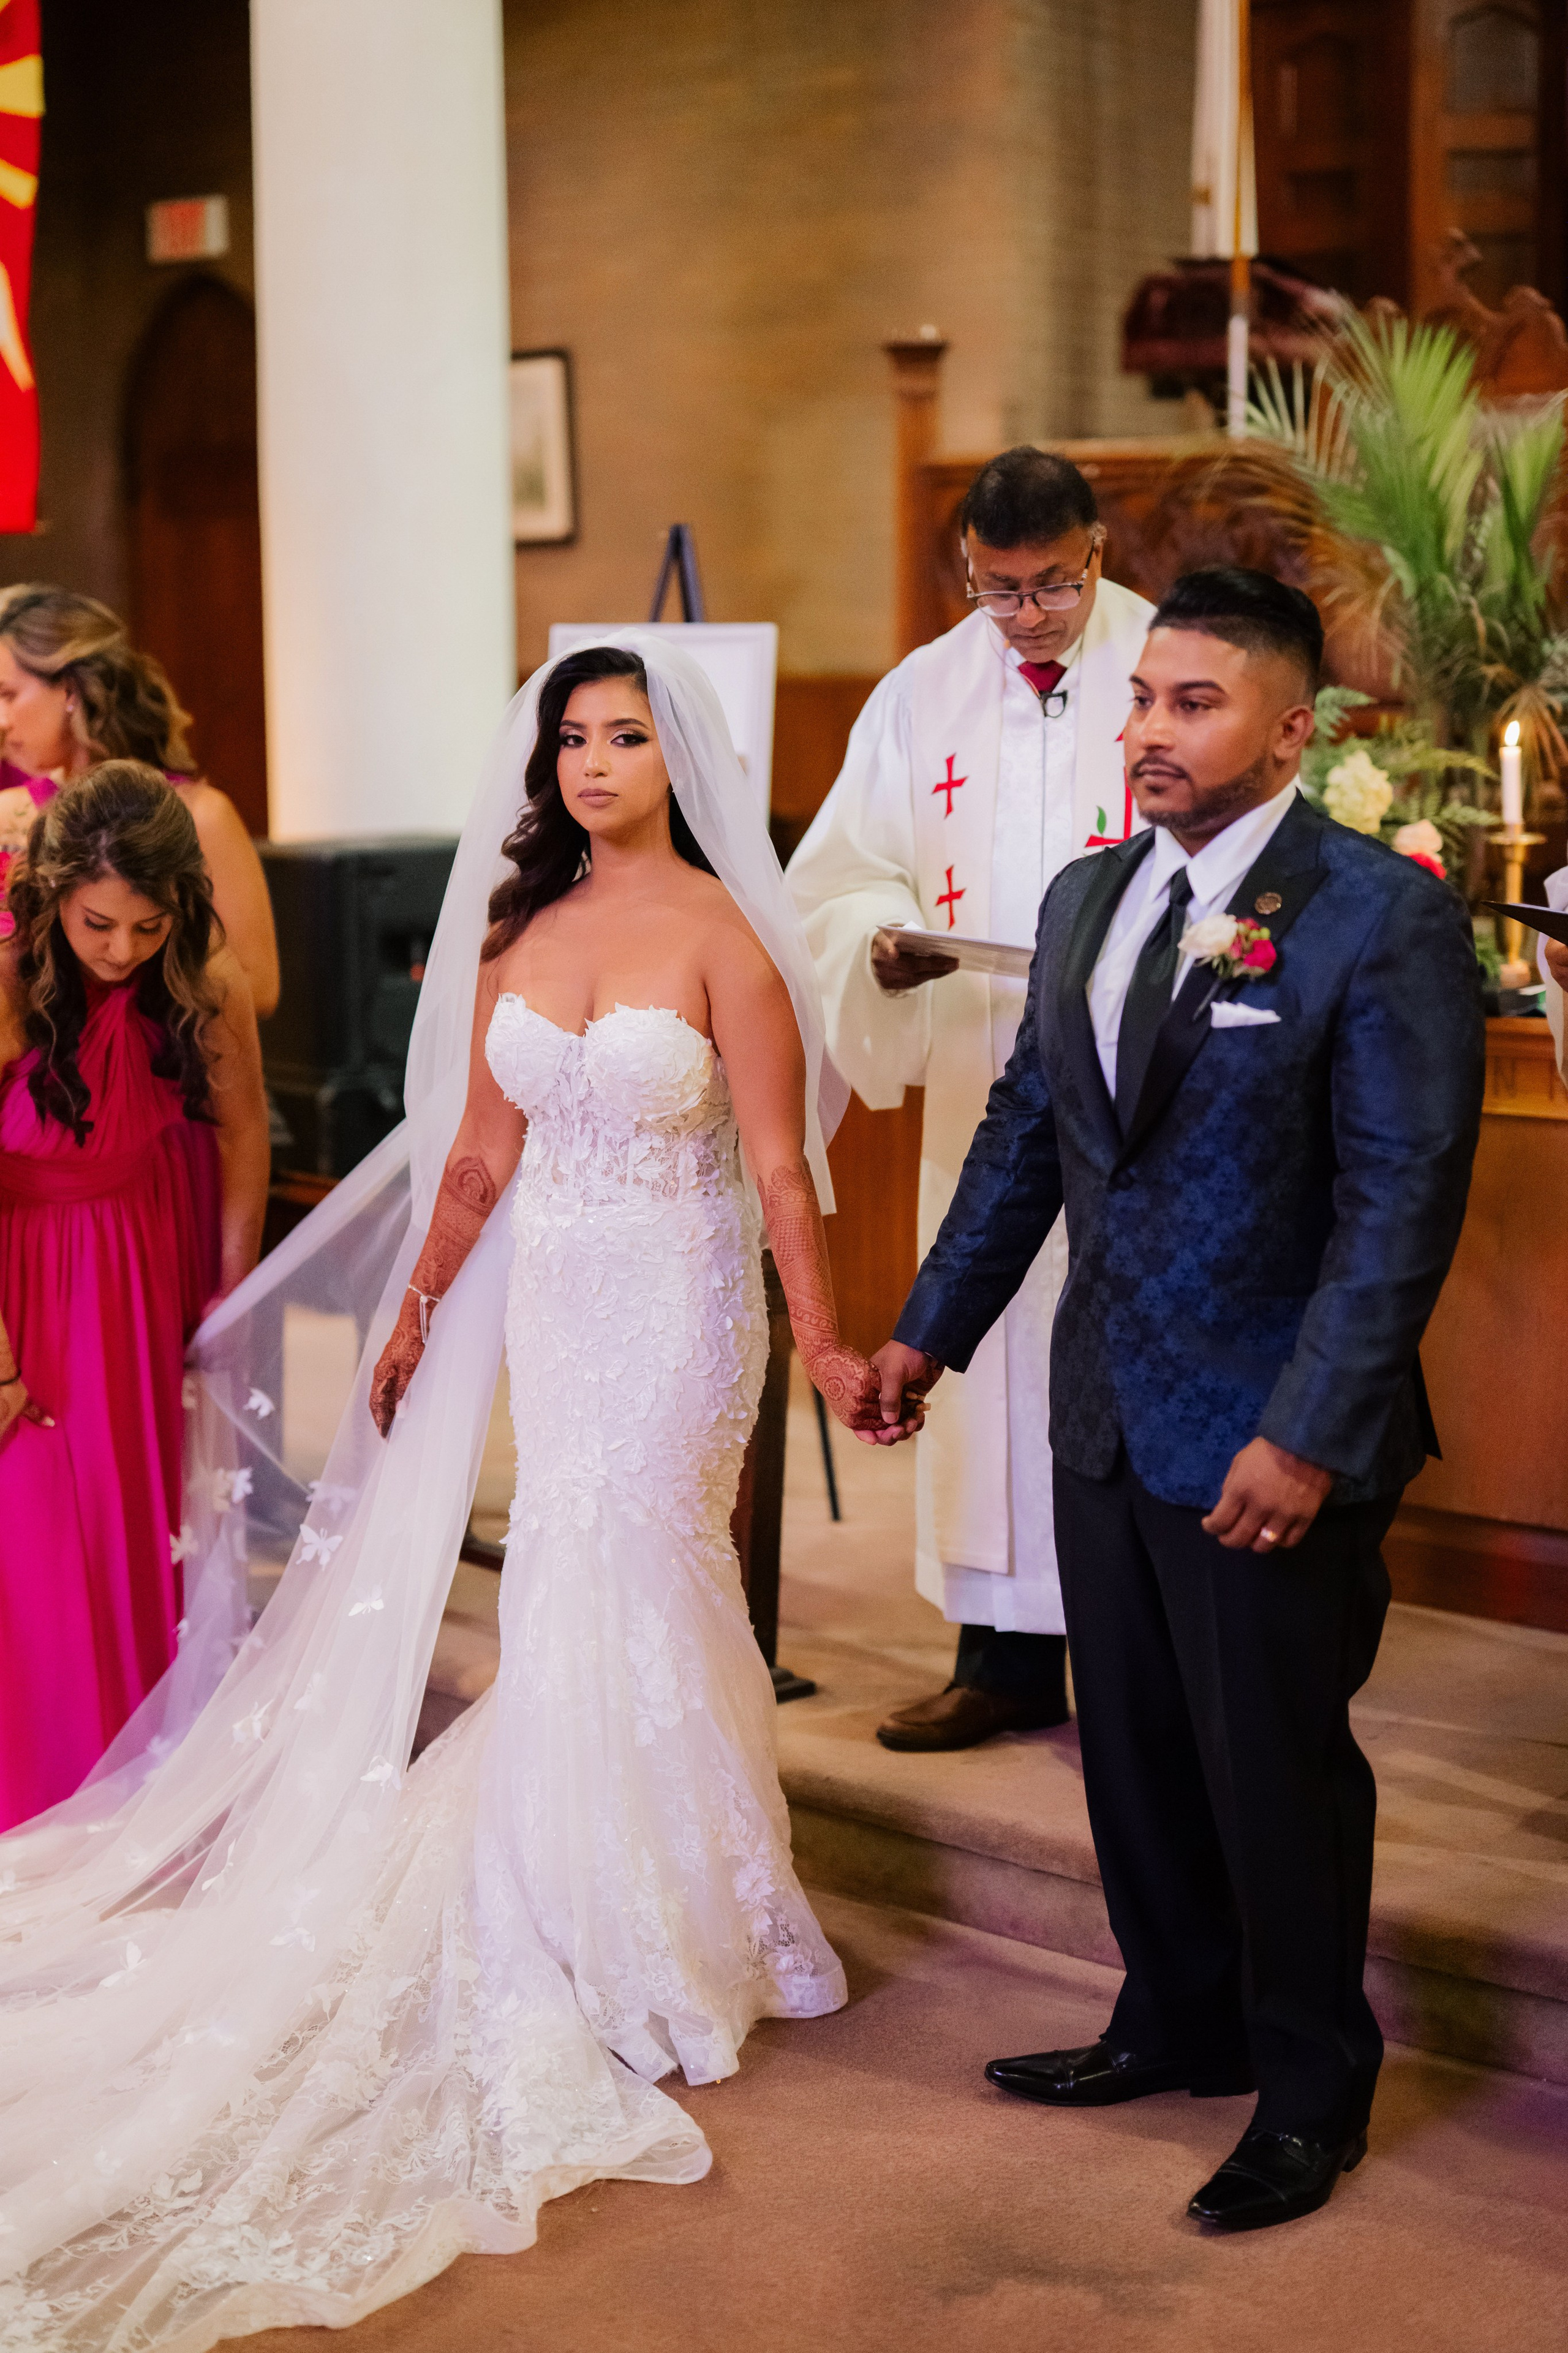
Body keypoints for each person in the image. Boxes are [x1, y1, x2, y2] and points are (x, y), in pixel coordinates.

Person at [0, 638, 872, 2347]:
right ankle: (576, 1902)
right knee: (560, 1572)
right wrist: (409, 1314)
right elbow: (479, 1156)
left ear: (674, 757)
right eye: (572, 737)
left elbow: (778, 1162)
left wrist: (832, 1347)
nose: (595, 761)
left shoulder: (724, 939)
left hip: (686, 1301)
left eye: (625, 735)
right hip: (556, 1291)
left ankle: (677, 1921)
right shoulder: (520, 935)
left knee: (647, 1563)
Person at [870, 570, 1485, 2229]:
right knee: (1131, 1754)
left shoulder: (1375, 913)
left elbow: (1401, 1194)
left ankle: (1309, 2085)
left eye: (1193, 704)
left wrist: (1309, 1431)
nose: (1149, 730)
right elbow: (1025, 1143)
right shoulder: (1085, 901)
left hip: (1272, 1428)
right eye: (1144, 699)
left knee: (1272, 1766)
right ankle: (1177, 2016)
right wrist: (929, 1336)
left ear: (1289, 730)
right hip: (1106, 1412)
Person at [788, 448, 1155, 1751]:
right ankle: (997, 1660)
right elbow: (836, 876)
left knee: (1119, 1343)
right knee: (990, 1344)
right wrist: (882, 934)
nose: (1028, 615)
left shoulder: (1164, 665)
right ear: (966, 570)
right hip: (980, 1076)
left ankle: (1133, 1663)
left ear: (1094, 551)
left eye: (1051, 585)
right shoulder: (918, 694)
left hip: (1136, 1080)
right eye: (1000, 590)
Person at [0, 765, 269, 1832]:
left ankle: (140, 1762)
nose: (120, 951)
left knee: (139, 1500)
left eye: (148, 926)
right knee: (34, 1512)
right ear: (54, 892)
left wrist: (234, 1281)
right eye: (98, 923)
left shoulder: (203, 976)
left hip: (150, 1245)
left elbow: (245, 1128)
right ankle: (43, 1777)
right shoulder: (11, 976)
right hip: (26, 1255)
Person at [0, 584, 281, 1017]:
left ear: (70, 690)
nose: (1, 720)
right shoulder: (15, 810)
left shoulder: (199, 813)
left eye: (8, 695)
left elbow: (259, 987)